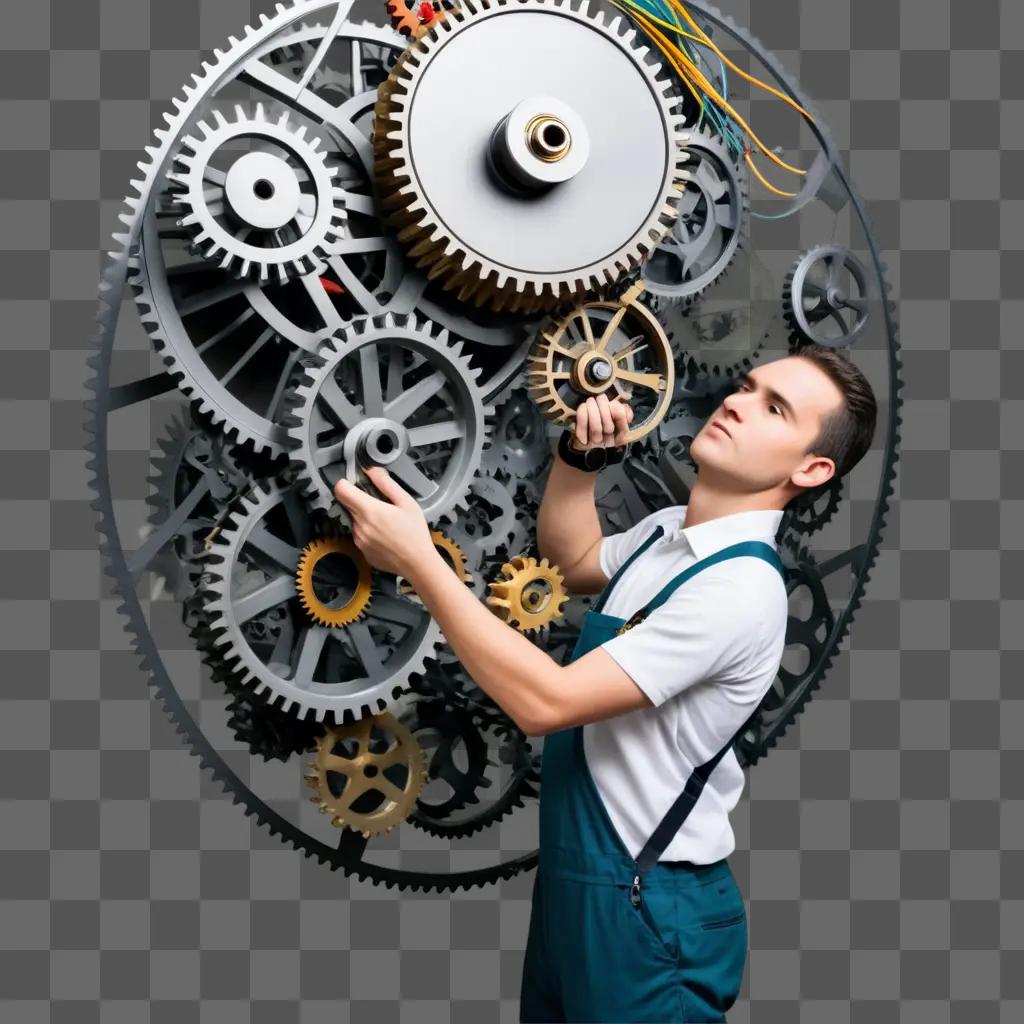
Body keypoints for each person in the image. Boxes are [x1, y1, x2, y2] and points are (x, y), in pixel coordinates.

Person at [333, 340, 878, 1023]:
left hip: (648, 905)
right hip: (580, 888)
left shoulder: (738, 590)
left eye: (774, 409)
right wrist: (578, 463)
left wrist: (420, 561)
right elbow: (577, 558)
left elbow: (546, 702)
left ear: (812, 467)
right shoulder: (670, 533)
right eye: (745, 385)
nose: (737, 404)